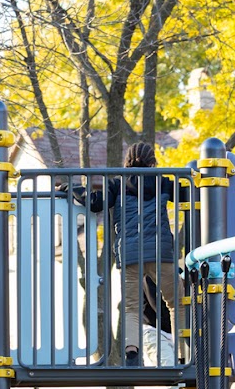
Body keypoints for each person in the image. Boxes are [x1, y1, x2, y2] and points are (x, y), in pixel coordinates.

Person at [73, 142, 180, 365]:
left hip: (131, 255)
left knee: (131, 306)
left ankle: (132, 351)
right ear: (153, 162)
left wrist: (71, 190)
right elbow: (187, 194)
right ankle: (183, 349)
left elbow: (94, 203)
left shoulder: (117, 184)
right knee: (176, 302)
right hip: (161, 253)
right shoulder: (163, 182)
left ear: (127, 161)